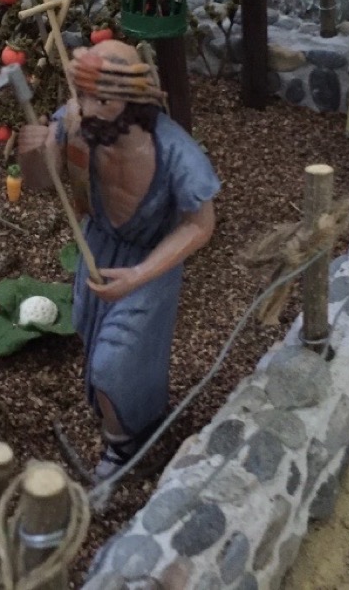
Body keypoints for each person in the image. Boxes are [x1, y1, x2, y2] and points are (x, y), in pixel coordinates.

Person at [17, 40, 220, 480]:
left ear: (133, 100)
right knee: (89, 334)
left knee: (115, 361)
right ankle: (131, 423)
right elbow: (40, 182)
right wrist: (33, 151)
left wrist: (140, 275)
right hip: (98, 246)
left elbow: (200, 225)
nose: (87, 110)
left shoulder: (176, 152)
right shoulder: (75, 122)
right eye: (82, 95)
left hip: (150, 262)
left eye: (102, 100)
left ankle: (123, 448)